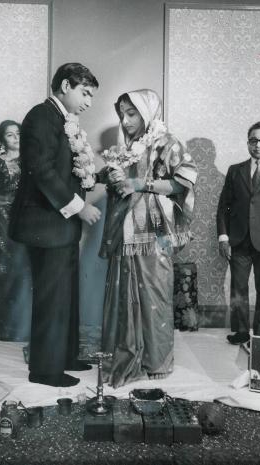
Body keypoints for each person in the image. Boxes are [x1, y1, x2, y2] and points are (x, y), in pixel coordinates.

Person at [9, 63, 101, 387]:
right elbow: (42, 171)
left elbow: (68, 169)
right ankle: (45, 371)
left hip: (58, 226)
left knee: (66, 294)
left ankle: (66, 356)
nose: (89, 102)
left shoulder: (65, 121)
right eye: (85, 93)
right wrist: (80, 209)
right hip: (46, 224)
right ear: (65, 85)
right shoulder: (41, 116)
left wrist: (105, 174)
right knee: (52, 297)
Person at [99, 89, 197, 388]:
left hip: (153, 231)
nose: (126, 121)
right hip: (125, 228)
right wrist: (105, 176)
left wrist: (141, 183)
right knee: (123, 290)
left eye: (132, 114)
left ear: (148, 113)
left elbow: (184, 180)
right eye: (123, 114)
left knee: (154, 292)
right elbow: (115, 177)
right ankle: (129, 353)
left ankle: (157, 360)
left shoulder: (167, 142)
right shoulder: (126, 147)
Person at [217, 121, 260, 345]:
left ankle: (259, 335)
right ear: (248, 142)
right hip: (238, 240)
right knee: (238, 288)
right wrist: (223, 237)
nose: (258, 145)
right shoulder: (235, 170)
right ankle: (240, 332)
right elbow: (224, 207)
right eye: (253, 140)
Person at [0, 120, 32, 342]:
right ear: (2, 141)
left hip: (27, 221)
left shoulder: (31, 162)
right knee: (2, 271)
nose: (16, 138)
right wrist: (7, 200)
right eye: (10, 135)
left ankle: (26, 325)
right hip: (1, 223)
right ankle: (7, 328)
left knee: (25, 270)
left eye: (18, 133)